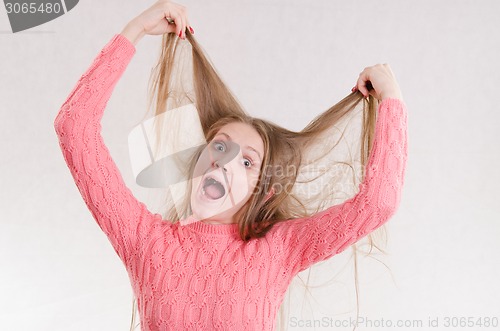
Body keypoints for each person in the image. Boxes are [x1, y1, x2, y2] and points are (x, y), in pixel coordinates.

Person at [53, 1, 408, 330]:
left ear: (265, 190)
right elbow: (74, 126)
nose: (224, 161)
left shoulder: (279, 248)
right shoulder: (147, 241)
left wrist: (391, 99)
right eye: (219, 145)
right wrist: (136, 30)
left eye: (248, 161)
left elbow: (378, 203)